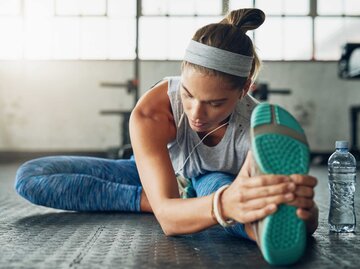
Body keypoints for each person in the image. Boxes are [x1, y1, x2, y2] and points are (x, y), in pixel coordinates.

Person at [14, 8, 318, 266]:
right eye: (188, 94)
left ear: (244, 89)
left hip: (216, 183)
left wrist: (304, 212)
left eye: (215, 103)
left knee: (225, 191)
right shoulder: (152, 111)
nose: (197, 113)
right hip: (156, 175)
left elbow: (257, 198)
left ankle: (256, 230)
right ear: (181, 75)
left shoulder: (256, 127)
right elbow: (171, 222)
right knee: (31, 176)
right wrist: (174, 205)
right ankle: (163, 201)